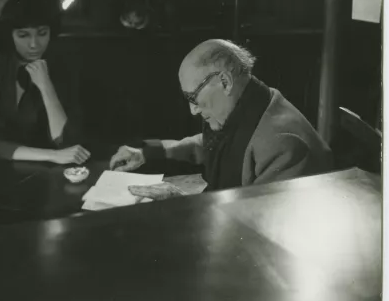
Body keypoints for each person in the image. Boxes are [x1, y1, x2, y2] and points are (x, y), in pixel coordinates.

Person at [110, 39, 333, 199]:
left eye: (193, 97)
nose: (193, 110)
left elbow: (256, 227)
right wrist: (147, 153)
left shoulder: (281, 143)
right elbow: (211, 143)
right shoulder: (252, 101)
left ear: (224, 82)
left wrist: (180, 202)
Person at [0, 0, 90, 165]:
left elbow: (68, 144)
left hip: (52, 175)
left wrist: (46, 86)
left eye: (42, 33)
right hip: (1, 171)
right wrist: (52, 155)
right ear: (10, 35)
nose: (34, 44)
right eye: (23, 35)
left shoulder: (64, 67)